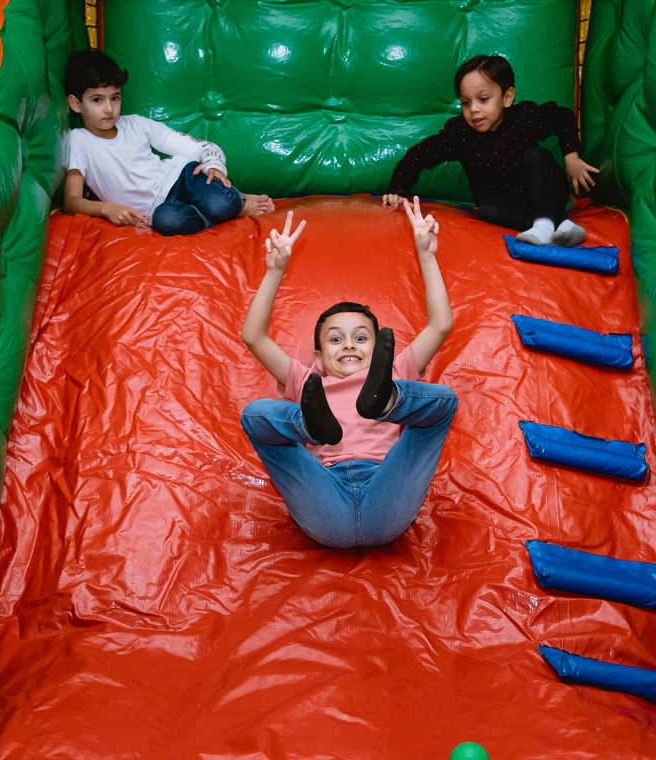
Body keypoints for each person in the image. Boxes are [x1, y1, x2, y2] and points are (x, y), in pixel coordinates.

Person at [240, 199, 459, 548]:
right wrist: (274, 270)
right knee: (255, 415)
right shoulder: (307, 380)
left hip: (386, 493)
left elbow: (440, 324)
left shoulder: (397, 369)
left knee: (442, 402)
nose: (348, 346)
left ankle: (386, 401)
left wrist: (427, 253)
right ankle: (308, 427)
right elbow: (253, 337)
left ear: (378, 349)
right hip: (325, 499)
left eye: (361, 337)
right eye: (335, 339)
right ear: (318, 355)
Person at [383, 54, 599, 247]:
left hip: (547, 194)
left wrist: (572, 158)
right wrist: (398, 188)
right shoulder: (460, 133)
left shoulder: (524, 117)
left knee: (536, 155)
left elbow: (562, 117)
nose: (474, 109)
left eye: (483, 99)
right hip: (508, 206)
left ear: (507, 97)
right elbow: (421, 153)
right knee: (486, 208)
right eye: (466, 102)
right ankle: (559, 225)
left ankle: (544, 224)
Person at [62, 50, 275, 235]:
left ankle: (232, 200)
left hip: (180, 178)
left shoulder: (137, 124)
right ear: (75, 103)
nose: (109, 108)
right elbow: (71, 201)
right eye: (97, 100)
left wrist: (214, 164)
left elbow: (201, 147)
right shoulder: (79, 140)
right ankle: (232, 206)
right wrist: (107, 209)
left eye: (115, 98)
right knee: (168, 222)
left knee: (220, 202)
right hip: (159, 209)